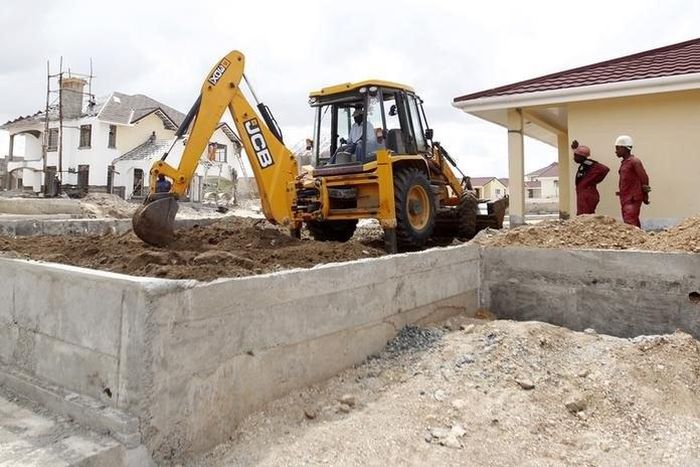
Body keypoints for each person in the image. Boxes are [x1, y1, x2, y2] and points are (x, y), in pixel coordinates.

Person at [614, 135, 650, 228]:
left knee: (629, 223)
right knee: (633, 222)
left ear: (624, 148)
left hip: (632, 198)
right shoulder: (625, 162)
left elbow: (644, 178)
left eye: (617, 148)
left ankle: (632, 242)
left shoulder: (634, 161)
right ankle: (641, 240)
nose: (616, 151)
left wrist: (645, 196)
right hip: (625, 197)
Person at [571, 140, 609, 215]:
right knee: (584, 216)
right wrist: (575, 149)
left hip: (587, 194)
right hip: (584, 193)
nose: (574, 158)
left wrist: (592, 180)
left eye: (576, 156)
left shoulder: (589, 164)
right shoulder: (585, 165)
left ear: (581, 156)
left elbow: (604, 169)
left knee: (584, 216)